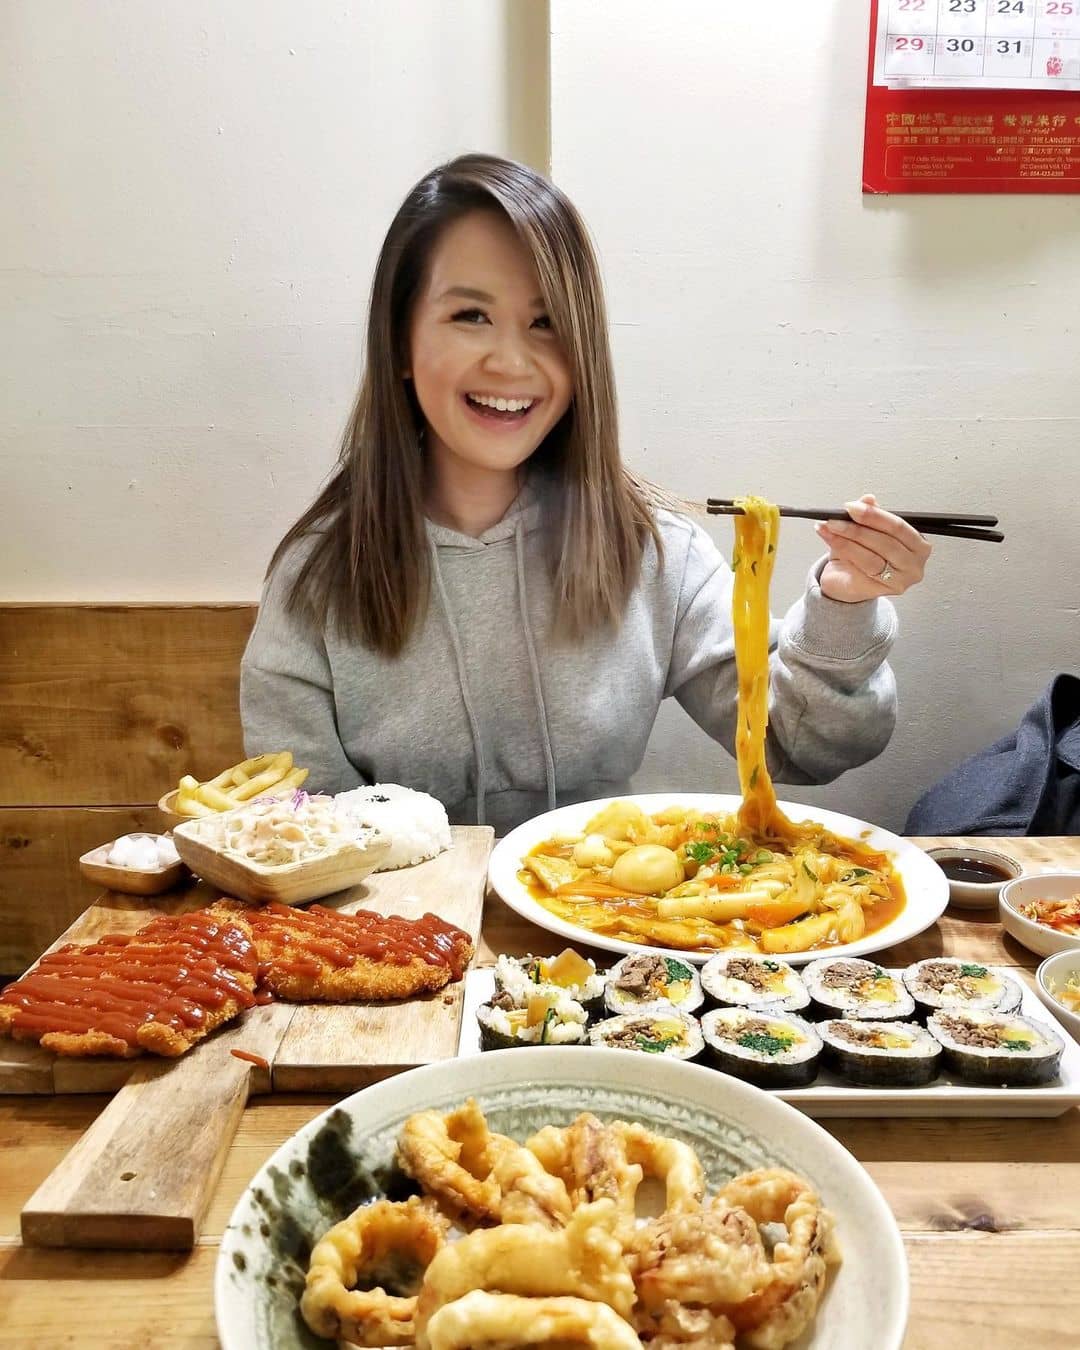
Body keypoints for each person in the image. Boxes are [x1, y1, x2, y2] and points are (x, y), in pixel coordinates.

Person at [240, 153, 931, 835]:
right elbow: (303, 834)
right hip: (399, 937)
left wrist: (844, 602)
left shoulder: (647, 547)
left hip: (603, 923)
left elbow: (804, 746)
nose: (511, 362)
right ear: (398, 341)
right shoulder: (320, 575)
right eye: (470, 316)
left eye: (546, 323)